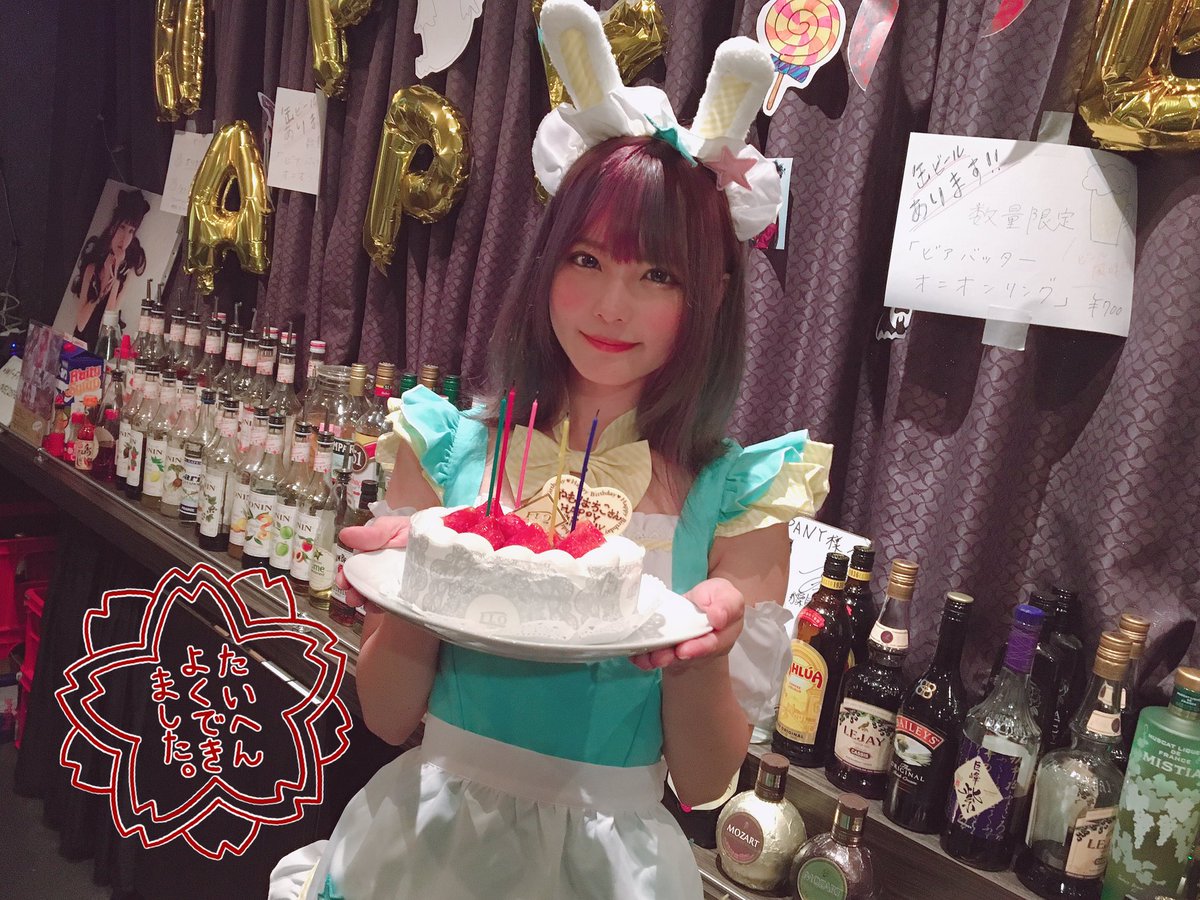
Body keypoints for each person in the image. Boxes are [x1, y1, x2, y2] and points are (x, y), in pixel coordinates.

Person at [269, 2, 831, 897]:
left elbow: (702, 778)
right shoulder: (444, 446)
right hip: (428, 846)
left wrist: (705, 647)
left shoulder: (740, 499)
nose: (611, 306)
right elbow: (385, 715)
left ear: (713, 292)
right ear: (546, 265)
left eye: (657, 275)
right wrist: (416, 581)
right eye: (586, 260)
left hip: (609, 864)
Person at [71, 187, 149, 350]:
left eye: (131, 231)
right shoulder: (92, 268)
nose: (125, 238)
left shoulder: (125, 276)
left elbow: (105, 327)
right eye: (122, 227)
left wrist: (115, 278)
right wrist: (100, 295)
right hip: (78, 343)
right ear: (113, 227)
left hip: (100, 347)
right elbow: (81, 324)